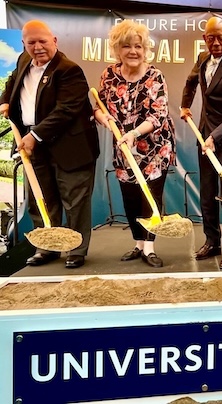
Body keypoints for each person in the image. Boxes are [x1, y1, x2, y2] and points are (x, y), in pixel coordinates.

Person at [0, 20, 99, 269]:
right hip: (35, 145)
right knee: (40, 199)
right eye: (31, 42)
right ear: (24, 44)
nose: (37, 47)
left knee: (74, 201)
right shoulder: (24, 60)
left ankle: (75, 250)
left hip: (71, 147)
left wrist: (34, 137)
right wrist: (4, 101)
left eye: (42, 41)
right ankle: (47, 247)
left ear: (54, 40)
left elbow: (65, 110)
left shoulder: (69, 70)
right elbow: (12, 82)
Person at [94, 20, 176, 268]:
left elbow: (158, 115)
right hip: (123, 148)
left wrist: (134, 134)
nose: (133, 51)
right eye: (127, 46)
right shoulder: (109, 75)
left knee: (149, 197)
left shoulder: (155, 76)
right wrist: (105, 119)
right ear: (117, 49)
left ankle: (149, 247)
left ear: (145, 49)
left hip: (155, 147)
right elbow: (99, 109)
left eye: (138, 46)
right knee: (129, 196)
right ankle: (138, 243)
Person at [180, 17, 222, 270]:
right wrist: (186, 104)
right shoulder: (202, 59)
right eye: (211, 38)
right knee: (207, 192)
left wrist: (214, 137)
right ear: (204, 39)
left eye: (221, 37)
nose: (216, 42)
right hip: (205, 134)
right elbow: (190, 81)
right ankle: (212, 241)